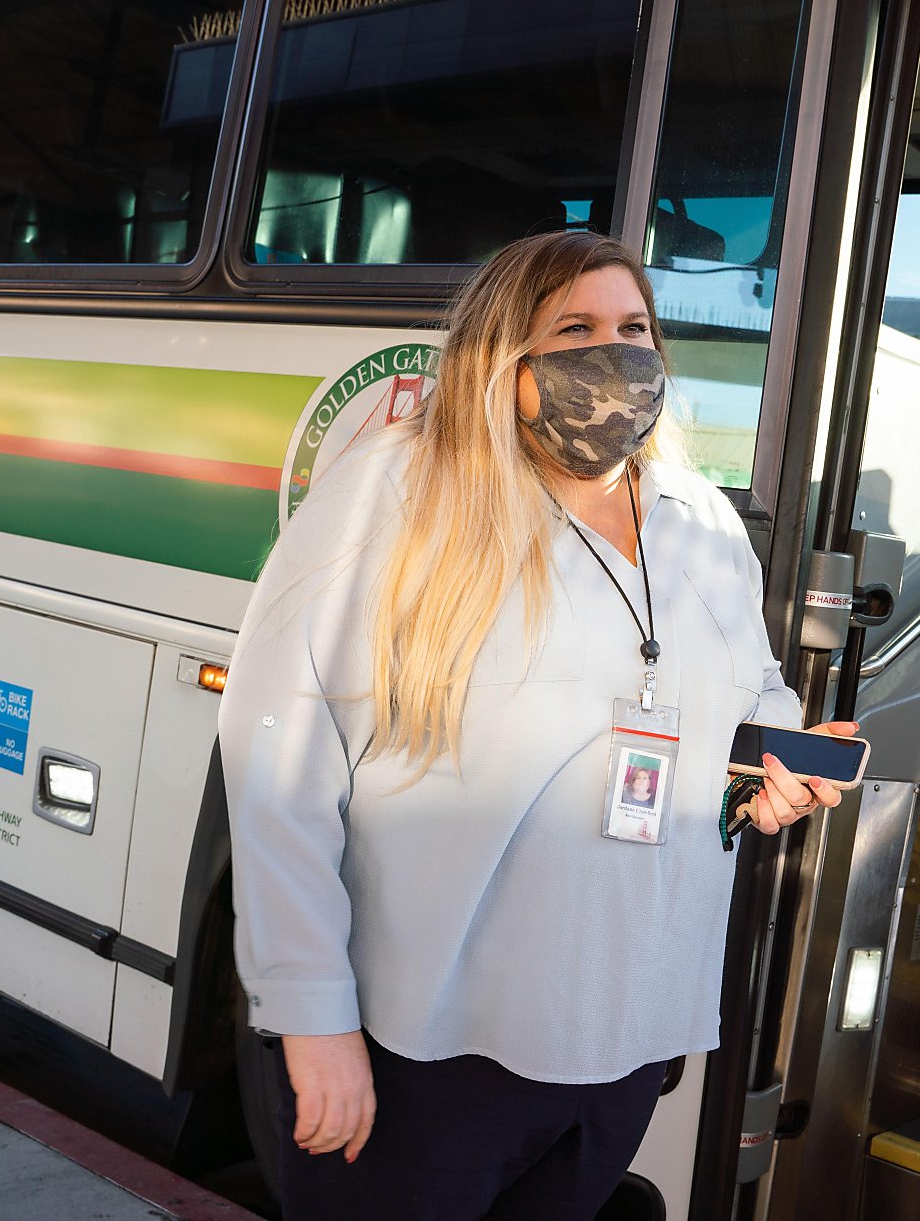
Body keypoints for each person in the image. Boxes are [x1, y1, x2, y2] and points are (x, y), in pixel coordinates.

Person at [219, 230, 855, 1221]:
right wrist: (313, 1021)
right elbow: (279, 751)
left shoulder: (697, 519)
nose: (617, 351)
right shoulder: (400, 489)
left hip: (625, 1037)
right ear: (501, 358)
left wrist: (774, 758)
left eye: (634, 326)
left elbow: (750, 691)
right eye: (576, 328)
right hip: (427, 1042)